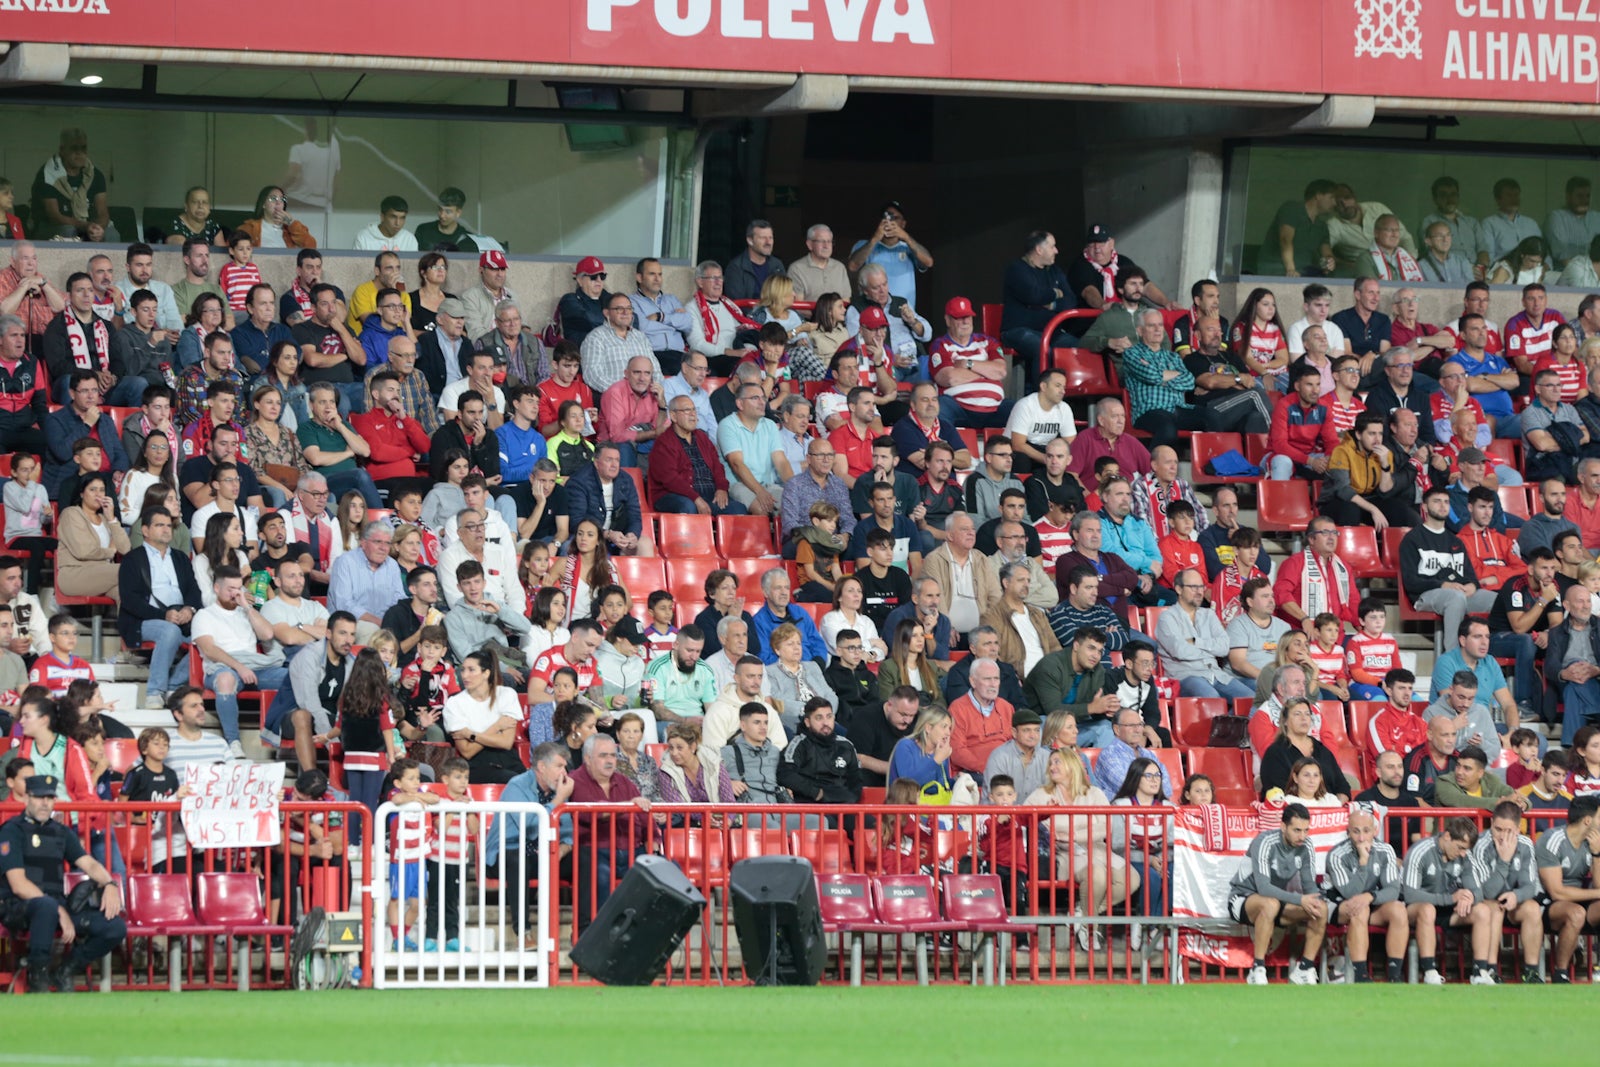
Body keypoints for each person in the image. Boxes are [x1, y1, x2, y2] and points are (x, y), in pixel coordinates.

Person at [0, 772, 126, 993]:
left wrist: (110, 884)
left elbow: (90, 864)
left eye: (50, 798)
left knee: (114, 927)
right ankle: (38, 977)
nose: (45, 803)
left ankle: (66, 969)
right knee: (46, 906)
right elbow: (18, 885)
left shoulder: (61, 832)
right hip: (19, 908)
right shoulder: (12, 830)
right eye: (39, 797)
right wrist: (58, 909)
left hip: (55, 905)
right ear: (26, 798)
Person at [1026, 746, 1137, 952]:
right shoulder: (1041, 794)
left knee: (1132, 879)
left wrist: (1072, 835)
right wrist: (1071, 834)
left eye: (1057, 762)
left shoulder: (1094, 793)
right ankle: (1089, 928)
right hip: (1065, 852)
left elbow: (1105, 827)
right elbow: (1029, 822)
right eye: (1050, 763)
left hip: (1097, 849)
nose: (1052, 767)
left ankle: (1083, 914)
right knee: (1097, 875)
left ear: (1072, 765)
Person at [190, 564, 289, 758]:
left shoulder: (245, 612)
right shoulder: (204, 615)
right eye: (230, 589)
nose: (235, 594)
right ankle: (233, 743)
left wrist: (247, 607)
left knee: (296, 677)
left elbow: (268, 634)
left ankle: (285, 738)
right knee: (226, 679)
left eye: (238, 588)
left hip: (255, 667)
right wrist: (239, 667)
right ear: (216, 588)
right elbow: (209, 650)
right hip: (222, 667)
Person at [1227, 801, 1325, 985]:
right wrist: (1299, 899)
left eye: (1306, 830)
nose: (1302, 836)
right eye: (1297, 830)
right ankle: (1257, 969)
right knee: (1269, 904)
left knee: (1321, 909)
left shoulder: (1306, 846)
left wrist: (1317, 899)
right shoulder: (1265, 841)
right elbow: (1264, 888)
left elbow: (1309, 886)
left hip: (1276, 903)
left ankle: (1304, 969)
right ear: (1283, 827)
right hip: (1242, 899)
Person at [117, 506, 202, 710]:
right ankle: (154, 692)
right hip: (144, 620)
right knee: (169, 630)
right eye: (160, 525)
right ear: (145, 530)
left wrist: (189, 610)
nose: (166, 530)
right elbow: (129, 600)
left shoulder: (181, 558)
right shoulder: (133, 559)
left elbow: (193, 590)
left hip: (182, 619)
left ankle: (174, 685)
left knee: (209, 635)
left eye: (169, 526)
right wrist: (163, 615)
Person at [1321, 806, 1409, 983]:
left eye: (1366, 831)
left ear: (1375, 830)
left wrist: (1370, 897)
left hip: (1370, 903)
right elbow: (1349, 893)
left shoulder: (1385, 850)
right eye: (1356, 831)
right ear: (1348, 832)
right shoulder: (1337, 855)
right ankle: (1361, 976)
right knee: (1359, 909)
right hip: (1337, 904)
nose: (1361, 838)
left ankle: (1394, 976)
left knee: (1398, 910)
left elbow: (1393, 890)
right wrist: (1363, 862)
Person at [1402, 815, 1492, 985]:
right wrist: (1450, 898)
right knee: (1427, 910)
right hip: (1417, 910)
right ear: (1447, 836)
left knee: (1483, 911)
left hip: (1450, 910)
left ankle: (1480, 972)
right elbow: (1410, 894)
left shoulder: (1465, 856)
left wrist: (1469, 897)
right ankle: (1429, 972)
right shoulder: (1421, 851)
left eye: (1466, 849)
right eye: (1460, 847)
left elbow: (1478, 891)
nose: (1463, 853)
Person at [1535, 796, 1600, 982]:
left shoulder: (1593, 842)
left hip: (1578, 901)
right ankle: (1561, 973)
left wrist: (1597, 854)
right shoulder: (1553, 840)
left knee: (1580, 911)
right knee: (1576, 913)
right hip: (1546, 903)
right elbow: (1556, 892)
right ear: (1587, 821)